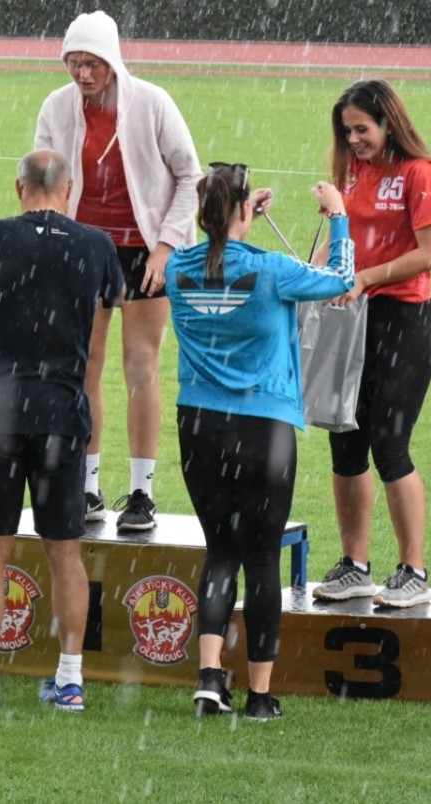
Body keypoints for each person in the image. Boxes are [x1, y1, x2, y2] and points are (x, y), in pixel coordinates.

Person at [166, 162, 355, 721]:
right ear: (244, 210)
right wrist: (338, 215)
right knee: (263, 560)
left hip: (199, 425)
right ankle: (260, 697)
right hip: (264, 428)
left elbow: (218, 256)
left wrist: (240, 214)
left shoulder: (176, 268)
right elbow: (341, 278)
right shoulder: (272, 271)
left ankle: (208, 678)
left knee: (221, 551)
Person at [0, 150, 124, 712]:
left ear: (18, 187)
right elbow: (96, 343)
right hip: (61, 414)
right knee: (65, 554)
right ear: (68, 190)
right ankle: (70, 681)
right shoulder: (97, 246)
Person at [35, 10, 201, 533]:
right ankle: (86, 487)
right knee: (83, 367)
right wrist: (54, 244)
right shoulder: (56, 107)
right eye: (74, 63)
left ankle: (142, 493)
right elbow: (45, 181)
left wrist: (165, 247)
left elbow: (190, 176)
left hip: (144, 251)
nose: (83, 74)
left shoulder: (152, 102)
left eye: (93, 63)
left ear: (113, 61)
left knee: (140, 367)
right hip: (84, 250)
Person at [309, 78, 431, 609]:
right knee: (344, 442)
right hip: (350, 319)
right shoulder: (350, 170)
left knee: (390, 445)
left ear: (389, 123)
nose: (353, 140)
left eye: (362, 129)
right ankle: (355, 566)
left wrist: (366, 276)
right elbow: (338, 244)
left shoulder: (420, 173)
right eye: (346, 131)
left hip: (403, 322)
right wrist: (315, 272)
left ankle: (414, 570)